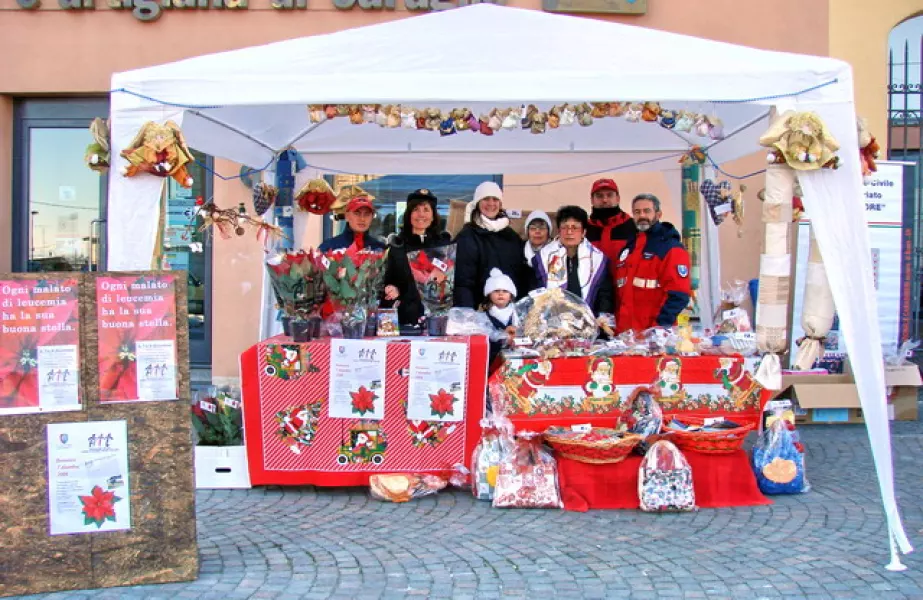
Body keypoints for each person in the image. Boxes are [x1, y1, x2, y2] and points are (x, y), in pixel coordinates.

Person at [614, 193, 692, 334]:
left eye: (647, 211)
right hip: (625, 336)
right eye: (637, 212)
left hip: (654, 337)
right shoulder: (628, 249)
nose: (642, 215)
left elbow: (679, 295)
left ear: (658, 214)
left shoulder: (670, 248)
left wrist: (658, 329)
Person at [381, 188, 453, 326]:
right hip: (406, 320)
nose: (421, 214)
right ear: (409, 214)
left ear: (433, 216)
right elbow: (388, 281)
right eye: (416, 209)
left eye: (426, 210)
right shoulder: (397, 246)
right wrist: (391, 288)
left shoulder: (444, 246)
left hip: (439, 320)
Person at [531, 205, 614, 321]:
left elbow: (605, 294)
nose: (569, 232)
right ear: (559, 231)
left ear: (584, 232)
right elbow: (537, 291)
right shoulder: (544, 257)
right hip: (552, 322)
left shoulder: (596, 258)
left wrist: (603, 316)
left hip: (588, 321)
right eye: (565, 227)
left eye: (575, 227)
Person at [454, 181, 524, 309]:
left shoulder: (511, 235)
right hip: (479, 310)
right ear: (477, 203)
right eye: (486, 199)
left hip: (509, 311)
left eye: (495, 199)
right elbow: (463, 281)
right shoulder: (467, 235)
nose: (491, 203)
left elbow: (520, 273)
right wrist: (467, 313)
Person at [585, 178, 636, 274]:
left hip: (624, 286)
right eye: (599, 196)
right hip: (594, 287)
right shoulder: (584, 229)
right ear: (592, 200)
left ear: (618, 198)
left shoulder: (633, 227)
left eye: (609, 195)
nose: (604, 200)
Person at [318, 195, 386, 252]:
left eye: (367, 214)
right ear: (347, 216)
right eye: (357, 213)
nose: (362, 219)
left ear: (372, 217)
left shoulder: (380, 248)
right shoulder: (328, 247)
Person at [482, 267, 519, 369]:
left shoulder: (517, 313)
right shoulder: (484, 315)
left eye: (505, 291)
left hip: (514, 360)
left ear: (511, 295)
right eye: (496, 291)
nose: (501, 294)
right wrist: (503, 335)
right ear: (489, 294)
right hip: (492, 360)